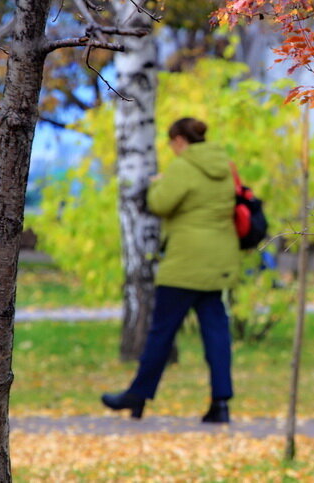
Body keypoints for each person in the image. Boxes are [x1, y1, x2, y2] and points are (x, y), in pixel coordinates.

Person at [101, 117, 240, 423]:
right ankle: (221, 403)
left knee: (161, 333)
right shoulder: (223, 166)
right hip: (218, 260)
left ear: (179, 140)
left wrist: (157, 183)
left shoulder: (182, 167)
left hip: (185, 262)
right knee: (216, 333)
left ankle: (137, 395)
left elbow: (161, 203)